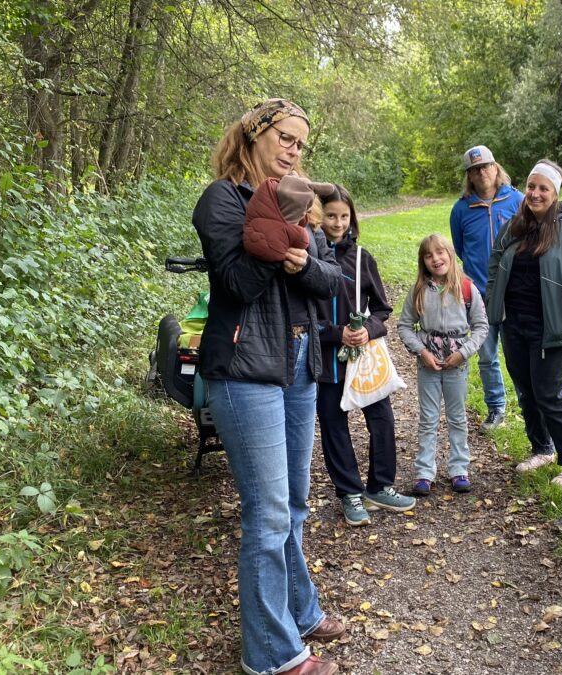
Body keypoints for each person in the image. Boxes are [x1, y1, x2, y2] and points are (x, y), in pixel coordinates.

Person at [192, 98, 344, 675]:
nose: (293, 149)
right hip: (245, 368)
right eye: (285, 137)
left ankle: (300, 611)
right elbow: (235, 281)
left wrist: (298, 259)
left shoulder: (301, 200)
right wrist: (281, 242)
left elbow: (332, 279)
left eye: (301, 143)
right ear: (253, 136)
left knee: (295, 506)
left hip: (298, 364)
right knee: (269, 512)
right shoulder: (222, 200)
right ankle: (273, 656)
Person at [485, 159, 562, 486]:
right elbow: (495, 262)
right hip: (514, 324)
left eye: (543, 188)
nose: (534, 193)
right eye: (531, 187)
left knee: (550, 395)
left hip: (552, 328)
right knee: (527, 392)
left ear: (555, 192)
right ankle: (542, 448)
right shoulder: (515, 225)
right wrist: (494, 300)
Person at [314, 185, 416, 527]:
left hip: (362, 359)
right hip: (326, 358)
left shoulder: (361, 259)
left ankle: (380, 486)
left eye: (344, 216)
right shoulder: (306, 258)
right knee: (333, 424)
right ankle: (349, 493)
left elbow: (382, 309)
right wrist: (334, 332)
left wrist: (367, 330)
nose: (338, 223)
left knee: (382, 419)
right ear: (317, 216)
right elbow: (302, 318)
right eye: (331, 215)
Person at [398, 234, 489, 496]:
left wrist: (464, 353)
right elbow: (404, 325)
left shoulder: (467, 288)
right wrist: (421, 352)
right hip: (427, 364)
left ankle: (459, 468)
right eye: (429, 255)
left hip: (456, 364)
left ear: (450, 254)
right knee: (428, 419)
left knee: (457, 417)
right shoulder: (419, 290)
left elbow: (481, 327)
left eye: (440, 253)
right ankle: (424, 471)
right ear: (423, 261)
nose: (436, 259)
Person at [450, 145, 524, 430]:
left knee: (518, 355)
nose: (482, 173)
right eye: (475, 169)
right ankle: (496, 408)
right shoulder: (461, 209)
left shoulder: (517, 200)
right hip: (479, 293)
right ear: (469, 176)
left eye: (486, 167)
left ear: (496, 168)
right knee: (487, 354)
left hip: (515, 292)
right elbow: (460, 247)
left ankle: (527, 405)